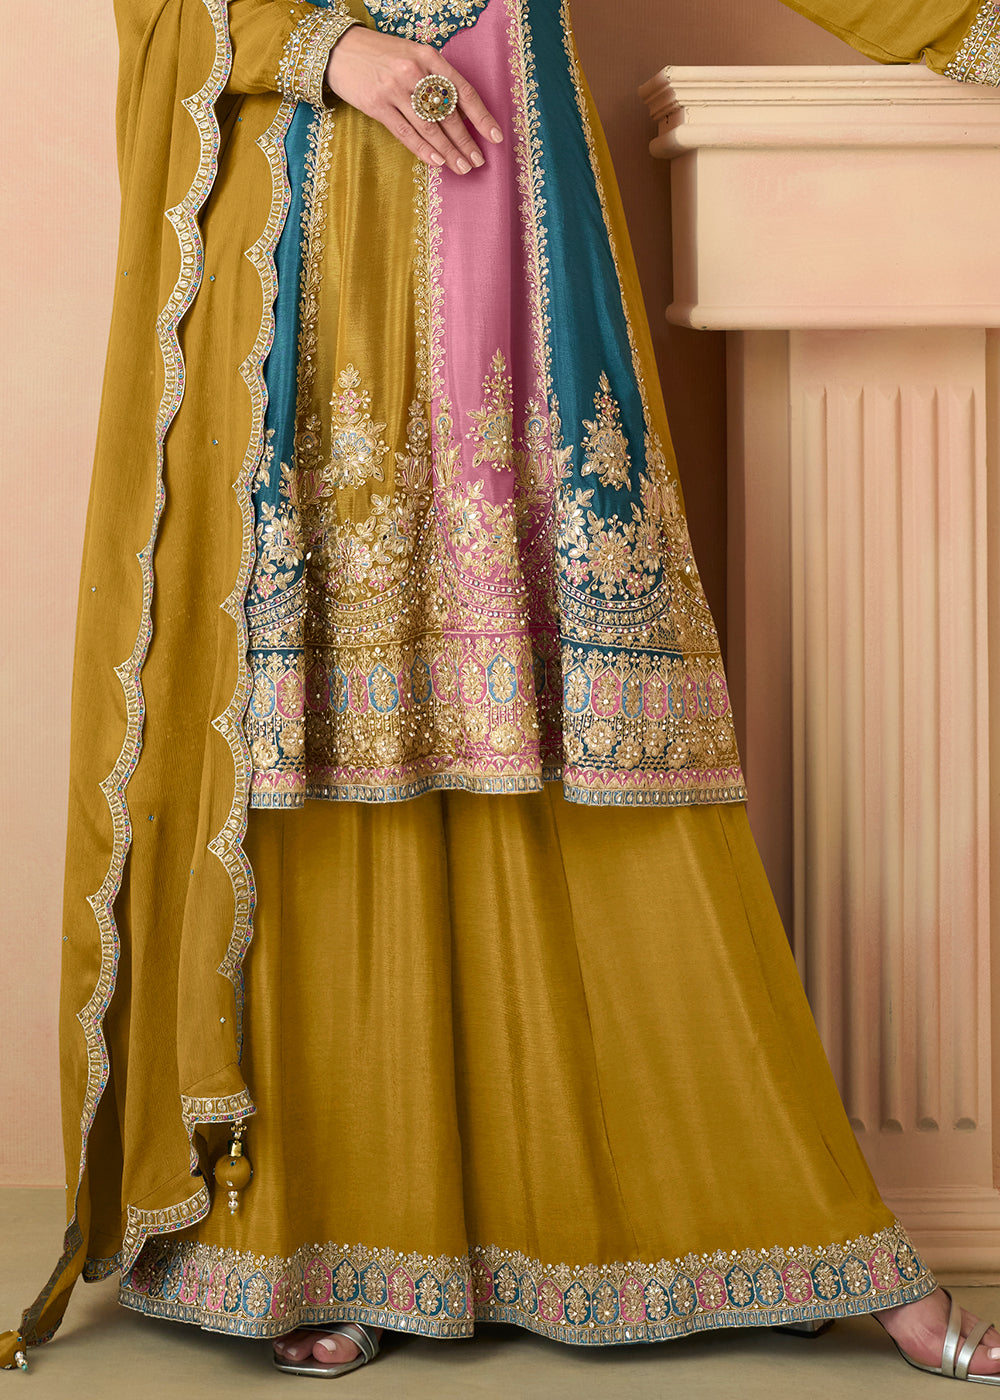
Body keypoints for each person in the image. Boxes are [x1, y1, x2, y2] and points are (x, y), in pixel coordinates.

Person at [4, 0, 1000, 1384]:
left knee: (597, 729)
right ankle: (314, 1232)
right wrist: (330, 53)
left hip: (511, 210)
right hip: (309, 209)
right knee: (317, 731)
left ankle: (779, 1220)